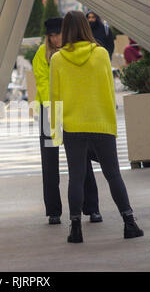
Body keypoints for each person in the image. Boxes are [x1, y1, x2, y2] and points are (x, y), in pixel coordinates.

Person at [49, 11, 144, 243]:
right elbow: (108, 90)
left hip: (73, 126)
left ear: (66, 31)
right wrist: (111, 123)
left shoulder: (57, 59)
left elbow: (55, 98)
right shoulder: (101, 54)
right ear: (86, 27)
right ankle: (129, 223)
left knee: (76, 177)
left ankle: (75, 229)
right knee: (113, 174)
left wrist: (55, 131)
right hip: (101, 123)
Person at [32, 17, 102, 225]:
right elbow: (43, 84)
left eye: (58, 34)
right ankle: (53, 211)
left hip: (73, 110)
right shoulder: (40, 55)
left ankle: (92, 208)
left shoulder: (74, 52)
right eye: (51, 35)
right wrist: (56, 111)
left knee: (81, 160)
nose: (55, 39)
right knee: (49, 162)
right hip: (48, 112)